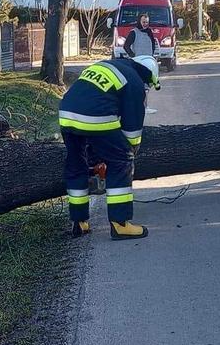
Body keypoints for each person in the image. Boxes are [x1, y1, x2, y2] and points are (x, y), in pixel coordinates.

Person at [60, 55, 161, 240]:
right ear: (148, 76)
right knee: (122, 161)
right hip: (95, 116)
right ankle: (120, 224)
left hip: (66, 113)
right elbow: (132, 127)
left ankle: (79, 222)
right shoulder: (135, 82)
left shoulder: (110, 65)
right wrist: (131, 151)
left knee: (77, 164)